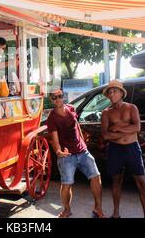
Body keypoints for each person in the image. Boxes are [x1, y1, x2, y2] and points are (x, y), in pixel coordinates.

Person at [46, 89, 104, 218]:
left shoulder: (71, 108)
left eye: (60, 96)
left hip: (82, 151)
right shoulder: (52, 118)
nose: (58, 99)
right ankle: (67, 210)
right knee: (67, 184)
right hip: (67, 156)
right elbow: (54, 138)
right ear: (51, 100)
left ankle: (98, 208)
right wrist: (58, 151)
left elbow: (76, 124)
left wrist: (83, 141)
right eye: (54, 98)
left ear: (63, 96)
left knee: (96, 177)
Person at [100, 80, 145, 218]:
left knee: (141, 181)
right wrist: (125, 132)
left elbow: (137, 127)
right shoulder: (106, 113)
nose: (111, 94)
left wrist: (117, 129)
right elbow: (105, 135)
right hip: (115, 150)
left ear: (121, 93)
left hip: (132, 148)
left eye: (114, 91)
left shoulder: (131, 108)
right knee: (116, 181)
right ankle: (116, 213)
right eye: (109, 92)